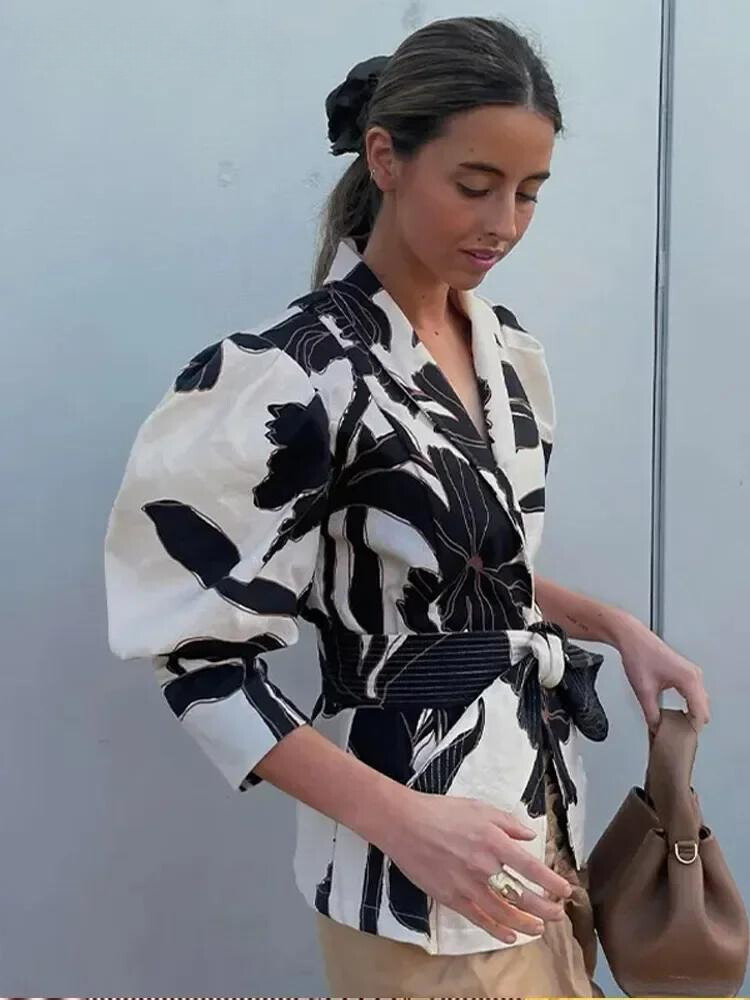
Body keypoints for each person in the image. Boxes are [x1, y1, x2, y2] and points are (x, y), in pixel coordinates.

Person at [103, 15, 710, 997]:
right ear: (385, 158)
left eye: (529, 192)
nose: (504, 222)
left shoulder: (506, 351)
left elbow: (454, 572)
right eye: (475, 185)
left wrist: (611, 626)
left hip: (536, 825)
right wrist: (410, 825)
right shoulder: (289, 378)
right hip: (413, 885)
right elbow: (200, 659)